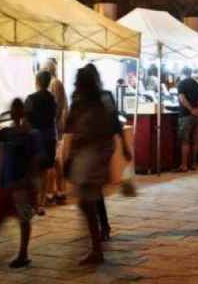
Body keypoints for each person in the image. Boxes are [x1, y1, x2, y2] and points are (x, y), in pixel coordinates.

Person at [64, 66, 118, 265]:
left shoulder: (96, 103)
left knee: (87, 202)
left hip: (91, 157)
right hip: (89, 157)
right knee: (87, 201)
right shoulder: (86, 102)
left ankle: (96, 246)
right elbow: (70, 125)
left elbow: (102, 130)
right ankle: (96, 245)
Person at [78, 63, 132, 243]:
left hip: (99, 148)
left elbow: (114, 120)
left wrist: (124, 145)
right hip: (101, 147)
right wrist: (123, 144)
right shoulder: (102, 96)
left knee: (92, 190)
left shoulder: (98, 97)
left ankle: (101, 228)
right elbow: (116, 121)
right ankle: (100, 227)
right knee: (93, 190)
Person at [0, 98, 40, 269]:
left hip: (20, 181)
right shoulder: (8, 132)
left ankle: (23, 253)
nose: (15, 113)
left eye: (17, 110)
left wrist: (30, 179)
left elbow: (35, 159)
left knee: (23, 219)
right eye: (13, 110)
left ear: (22, 112)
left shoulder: (29, 134)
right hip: (5, 180)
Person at [25, 71, 58, 216]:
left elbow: (25, 120)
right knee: (45, 171)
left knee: (34, 171)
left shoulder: (31, 98)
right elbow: (55, 116)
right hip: (50, 136)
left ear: (37, 81)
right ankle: (41, 202)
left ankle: (33, 202)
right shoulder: (53, 98)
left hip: (35, 138)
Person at [45, 58, 68, 204]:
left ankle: (57, 191)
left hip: (55, 128)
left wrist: (52, 121)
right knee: (55, 161)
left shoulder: (55, 83)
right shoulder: (54, 83)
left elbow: (58, 107)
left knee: (55, 161)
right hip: (55, 127)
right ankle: (57, 191)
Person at [176, 68, 198, 172]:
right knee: (195, 141)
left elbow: (182, 99)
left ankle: (184, 165)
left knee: (185, 141)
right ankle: (193, 165)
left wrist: (191, 110)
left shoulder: (181, 83)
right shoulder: (197, 84)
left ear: (182, 73)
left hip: (185, 115)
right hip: (197, 116)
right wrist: (197, 110)